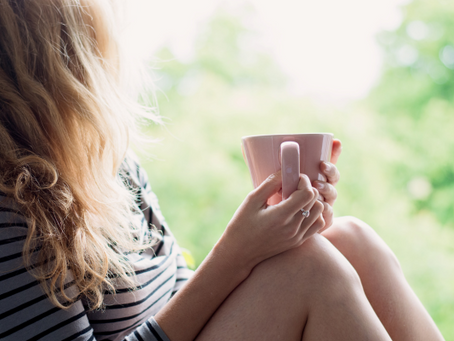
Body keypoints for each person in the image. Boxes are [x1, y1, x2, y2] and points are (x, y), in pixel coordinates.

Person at [0, 1, 445, 340]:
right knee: (311, 268)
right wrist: (237, 253)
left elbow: (185, 302)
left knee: (350, 239)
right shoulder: (12, 209)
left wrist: (275, 232)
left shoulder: (111, 167)